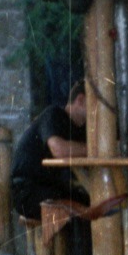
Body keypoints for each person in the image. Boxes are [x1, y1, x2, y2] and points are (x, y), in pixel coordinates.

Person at [11, 82, 89, 221]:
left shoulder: (79, 129)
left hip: (48, 189)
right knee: (81, 210)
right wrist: (95, 149)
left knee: (88, 202)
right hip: (27, 191)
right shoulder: (54, 114)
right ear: (81, 100)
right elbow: (59, 150)